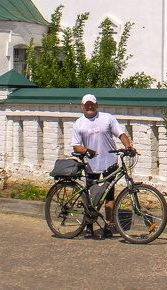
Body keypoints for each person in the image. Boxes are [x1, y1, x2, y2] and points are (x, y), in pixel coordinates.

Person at [70, 93, 134, 239]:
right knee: (91, 196)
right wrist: (86, 151)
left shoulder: (107, 118)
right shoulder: (79, 123)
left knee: (109, 195)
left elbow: (120, 133)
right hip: (91, 164)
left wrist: (128, 145)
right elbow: (75, 146)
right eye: (86, 105)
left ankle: (108, 224)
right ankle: (89, 226)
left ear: (97, 105)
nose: (89, 107)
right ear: (82, 107)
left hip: (109, 162)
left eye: (92, 104)